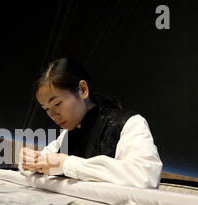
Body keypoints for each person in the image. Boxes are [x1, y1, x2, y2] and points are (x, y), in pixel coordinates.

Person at [19, 58, 162, 188]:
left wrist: (67, 164)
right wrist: (30, 162)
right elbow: (43, 162)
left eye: (57, 104)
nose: (52, 115)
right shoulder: (66, 134)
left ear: (82, 90)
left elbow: (145, 177)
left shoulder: (129, 124)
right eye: (46, 109)